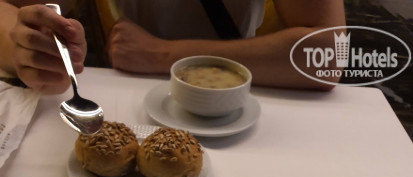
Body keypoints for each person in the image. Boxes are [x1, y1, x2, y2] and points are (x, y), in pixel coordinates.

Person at [0, 0, 345, 95]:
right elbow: (15, 11)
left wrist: (162, 54)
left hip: (240, 99)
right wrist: (28, 46)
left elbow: (327, 55)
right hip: (122, 100)